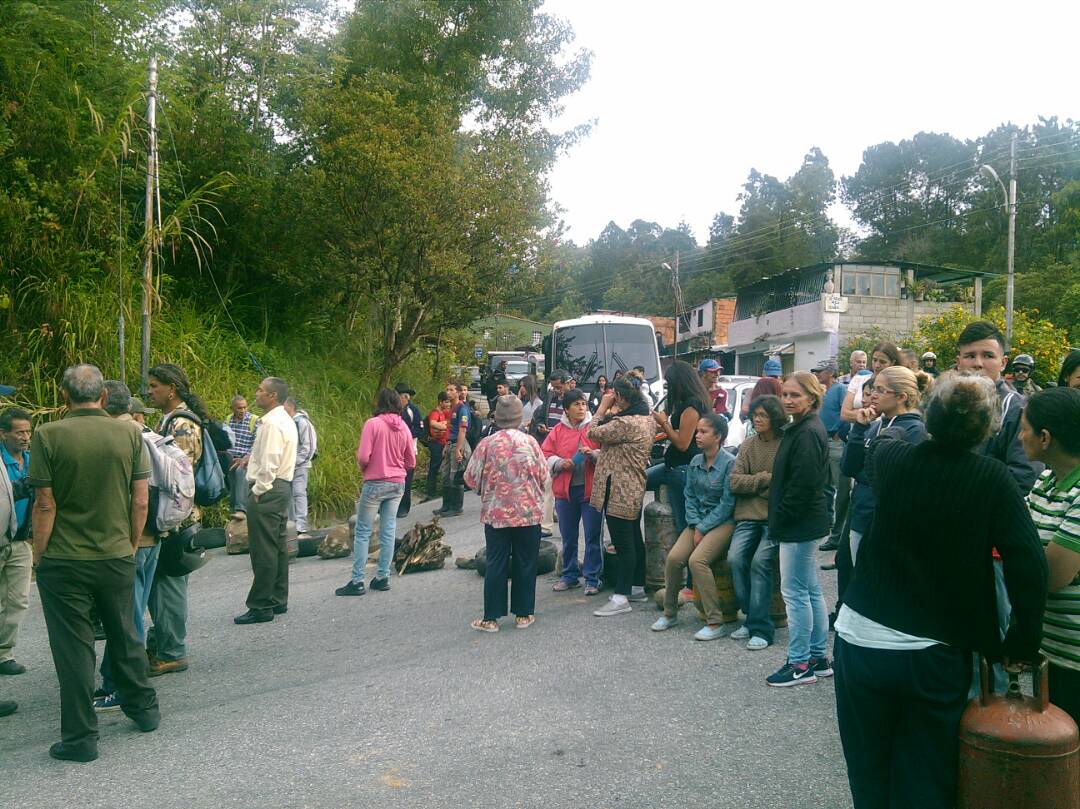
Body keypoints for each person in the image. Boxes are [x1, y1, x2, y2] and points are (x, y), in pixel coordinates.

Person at [834, 372, 1047, 809]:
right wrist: (1021, 641)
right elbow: (1029, 565)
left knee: (868, 771)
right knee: (927, 775)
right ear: (989, 428)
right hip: (935, 653)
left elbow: (879, 443)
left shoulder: (894, 460)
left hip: (860, 638)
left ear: (929, 418)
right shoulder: (995, 480)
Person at [28, 364, 160, 762]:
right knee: (125, 634)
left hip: (65, 560)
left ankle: (81, 738)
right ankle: (144, 709)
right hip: (116, 554)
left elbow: (45, 503)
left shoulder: (47, 435)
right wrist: (131, 542)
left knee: (73, 648)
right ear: (103, 396)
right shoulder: (129, 434)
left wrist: (40, 555)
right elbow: (141, 499)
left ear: (64, 397)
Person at [92, 381, 163, 713]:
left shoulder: (114, 438)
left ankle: (121, 684)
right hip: (153, 537)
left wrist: (129, 541)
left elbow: (135, 499)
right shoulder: (145, 432)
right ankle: (123, 680)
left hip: (128, 540)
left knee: (125, 618)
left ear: (103, 402)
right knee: (133, 613)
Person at [765, 371, 831, 687]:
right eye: (785, 394)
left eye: (795, 395)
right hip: (806, 522)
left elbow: (803, 486)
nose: (788, 400)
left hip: (798, 524)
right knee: (809, 589)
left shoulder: (806, 432)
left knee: (795, 594)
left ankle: (800, 663)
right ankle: (817, 657)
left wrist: (780, 518)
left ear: (812, 397)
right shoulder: (804, 427)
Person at [1019, 386, 1080, 725]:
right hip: (1050, 649)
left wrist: (1017, 557)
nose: (1019, 435)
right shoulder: (1045, 480)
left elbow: (1054, 575)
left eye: (1024, 428)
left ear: (1044, 437)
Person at [464, 395, 548, 632]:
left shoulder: (486, 444)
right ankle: (523, 615)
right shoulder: (530, 442)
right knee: (526, 562)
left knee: (496, 563)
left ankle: (491, 618)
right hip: (528, 512)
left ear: (497, 417)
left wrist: (486, 486)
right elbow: (544, 475)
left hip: (496, 514)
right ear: (520, 417)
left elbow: (470, 478)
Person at [144, 363, 208, 676]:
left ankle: (172, 651)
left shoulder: (182, 425)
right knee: (161, 586)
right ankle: (162, 642)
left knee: (168, 586)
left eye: (155, 385)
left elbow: (179, 477)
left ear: (172, 388)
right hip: (172, 516)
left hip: (176, 519)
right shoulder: (169, 420)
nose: (150, 391)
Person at [651, 412, 736, 640]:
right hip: (697, 520)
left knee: (697, 561)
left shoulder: (729, 463)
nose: (697, 436)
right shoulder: (696, 461)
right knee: (674, 559)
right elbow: (689, 496)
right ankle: (670, 613)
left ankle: (715, 621)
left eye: (703, 432)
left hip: (722, 522)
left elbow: (728, 504)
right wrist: (696, 524)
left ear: (717, 436)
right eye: (697, 431)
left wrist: (703, 527)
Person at [841, 367, 931, 566]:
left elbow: (888, 479)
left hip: (888, 525)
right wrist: (858, 428)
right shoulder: (874, 425)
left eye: (880, 390)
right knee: (859, 582)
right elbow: (848, 468)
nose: (872, 395)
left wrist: (863, 472)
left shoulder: (915, 431)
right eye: (873, 389)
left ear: (901, 397)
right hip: (861, 518)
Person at [336, 388, 415, 597]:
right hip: (398, 482)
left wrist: (366, 468)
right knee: (389, 529)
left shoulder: (372, 424)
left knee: (363, 531)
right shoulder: (404, 427)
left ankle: (357, 580)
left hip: (375, 481)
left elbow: (363, 456)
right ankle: (382, 577)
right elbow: (411, 460)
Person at [588, 376, 655, 617]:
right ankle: (637, 586)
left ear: (622, 398)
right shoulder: (646, 418)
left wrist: (603, 407)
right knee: (634, 538)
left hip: (618, 490)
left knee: (623, 543)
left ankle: (621, 596)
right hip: (633, 487)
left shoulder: (624, 423)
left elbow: (592, 432)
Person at [235, 377, 297, 624]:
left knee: (264, 549)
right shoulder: (285, 419)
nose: (256, 393)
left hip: (268, 489)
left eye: (260, 390)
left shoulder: (272, 423)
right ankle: (277, 598)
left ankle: (261, 605)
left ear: (272, 396)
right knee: (278, 545)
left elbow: (270, 459)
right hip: (281, 487)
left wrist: (259, 489)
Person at [727, 395, 784, 650]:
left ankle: (762, 628)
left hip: (774, 518)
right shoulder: (748, 445)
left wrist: (756, 485)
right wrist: (763, 480)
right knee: (735, 559)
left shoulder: (785, 445)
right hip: (748, 516)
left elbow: (782, 486)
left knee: (760, 563)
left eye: (763, 415)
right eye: (755, 415)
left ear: (775, 417)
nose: (757, 420)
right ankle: (751, 618)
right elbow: (735, 482)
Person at [542, 389, 602, 595]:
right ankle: (569, 575)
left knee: (593, 536)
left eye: (583, 404)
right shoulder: (557, 430)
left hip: (590, 490)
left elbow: (609, 453)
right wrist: (559, 462)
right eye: (576, 404)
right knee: (568, 537)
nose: (581, 408)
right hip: (565, 492)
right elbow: (545, 453)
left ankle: (593, 578)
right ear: (566, 409)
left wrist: (593, 454)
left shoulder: (594, 428)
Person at [647, 361, 710, 537]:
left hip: (682, 469)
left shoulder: (692, 407)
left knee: (682, 521)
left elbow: (682, 443)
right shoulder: (683, 403)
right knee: (639, 481)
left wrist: (664, 423)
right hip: (671, 465)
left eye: (670, 385)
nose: (669, 389)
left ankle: (686, 559)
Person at [0, 407, 33, 676]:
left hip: (21, 540)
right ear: (3, 434)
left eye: (28, 432)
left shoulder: (32, 461)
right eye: (19, 432)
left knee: (18, 600)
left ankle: (4, 653)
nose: (24, 437)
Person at [529, 369, 571, 536]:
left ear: (568, 383)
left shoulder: (575, 400)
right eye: (553, 387)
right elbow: (538, 416)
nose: (556, 390)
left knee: (566, 489)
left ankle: (561, 520)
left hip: (568, 447)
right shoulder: (549, 397)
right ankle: (545, 526)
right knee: (547, 485)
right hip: (550, 446)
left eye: (559, 387)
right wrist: (540, 426)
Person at [819, 361, 853, 553]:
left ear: (830, 372)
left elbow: (846, 414)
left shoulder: (840, 389)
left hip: (835, 441)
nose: (817, 374)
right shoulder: (825, 391)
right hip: (824, 442)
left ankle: (838, 535)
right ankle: (828, 523)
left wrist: (840, 433)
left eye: (820, 371)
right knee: (825, 485)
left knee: (841, 489)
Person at [434, 381, 473, 519]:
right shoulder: (451, 408)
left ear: (457, 392)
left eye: (451, 390)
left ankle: (456, 507)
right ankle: (446, 504)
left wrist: (458, 449)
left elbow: (462, 430)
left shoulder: (462, 408)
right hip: (450, 442)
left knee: (455, 475)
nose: (448, 392)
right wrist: (446, 445)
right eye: (447, 389)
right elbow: (450, 428)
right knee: (445, 474)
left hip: (458, 442)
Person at [841, 341, 900, 423]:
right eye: (875, 360)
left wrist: (855, 412)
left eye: (882, 362)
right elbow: (844, 414)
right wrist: (868, 414)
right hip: (856, 432)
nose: (877, 365)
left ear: (892, 363)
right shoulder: (858, 379)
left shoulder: (895, 386)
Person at [284, 397, 317, 536]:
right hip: (285, 467)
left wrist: (297, 462)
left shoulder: (302, 422)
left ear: (290, 407)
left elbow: (309, 446)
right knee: (288, 495)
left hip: (299, 466)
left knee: (299, 493)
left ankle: (301, 525)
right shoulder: (284, 423)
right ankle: (291, 525)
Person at [393, 383, 423, 519]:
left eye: (406, 397)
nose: (405, 399)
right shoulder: (391, 410)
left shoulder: (413, 411)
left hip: (409, 450)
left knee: (406, 479)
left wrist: (404, 436)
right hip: (392, 451)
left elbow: (419, 429)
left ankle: (403, 507)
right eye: (403, 396)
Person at [225, 395, 258, 518]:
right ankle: (233, 509)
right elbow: (225, 440)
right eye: (239, 408)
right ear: (232, 408)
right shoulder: (228, 420)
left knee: (240, 471)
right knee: (230, 473)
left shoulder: (254, 420)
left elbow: (257, 443)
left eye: (244, 407)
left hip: (248, 458)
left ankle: (241, 509)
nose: (242, 410)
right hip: (232, 457)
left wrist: (246, 458)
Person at [425, 392, 452, 501]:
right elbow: (432, 423)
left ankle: (439, 489)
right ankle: (431, 492)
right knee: (434, 468)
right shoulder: (435, 412)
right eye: (446, 402)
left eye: (449, 401)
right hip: (436, 444)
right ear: (440, 402)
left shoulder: (444, 413)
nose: (448, 404)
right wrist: (444, 426)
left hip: (443, 443)